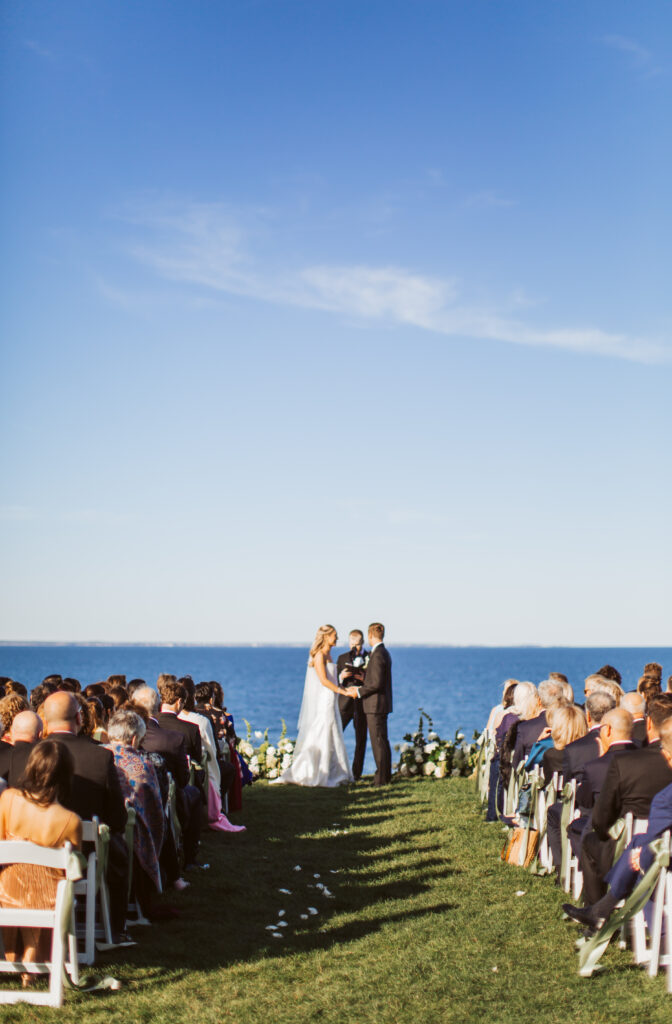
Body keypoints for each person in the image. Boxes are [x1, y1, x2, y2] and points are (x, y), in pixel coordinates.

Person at [0, 740, 82, 983]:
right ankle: (33, 961)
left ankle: (15, 958)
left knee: (15, 886)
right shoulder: (71, 820)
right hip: (48, 899)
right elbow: (72, 870)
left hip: (6, 894)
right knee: (52, 890)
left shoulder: (8, 799)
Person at [273, 625, 353, 787]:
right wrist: (343, 692)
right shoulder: (319, 655)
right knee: (322, 732)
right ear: (326, 636)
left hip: (332, 697)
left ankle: (336, 771)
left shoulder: (329, 654)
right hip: (326, 699)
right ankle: (311, 771)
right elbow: (323, 681)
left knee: (333, 732)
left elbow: (330, 677)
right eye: (334, 635)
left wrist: (341, 676)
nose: (337, 638)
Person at [353, 623, 393, 786]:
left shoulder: (377, 654)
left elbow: (376, 683)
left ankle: (380, 779)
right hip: (380, 704)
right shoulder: (384, 652)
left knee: (378, 742)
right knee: (382, 741)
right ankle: (385, 775)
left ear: (370, 635)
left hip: (375, 706)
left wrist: (359, 691)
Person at [336, 629, 369, 781]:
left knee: (361, 740)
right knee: (336, 736)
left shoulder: (370, 657)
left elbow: (374, 680)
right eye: (351, 643)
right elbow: (335, 682)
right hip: (344, 704)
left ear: (362, 643)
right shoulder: (342, 658)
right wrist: (341, 677)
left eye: (356, 644)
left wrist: (364, 678)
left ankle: (356, 774)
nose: (354, 647)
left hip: (362, 704)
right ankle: (335, 770)